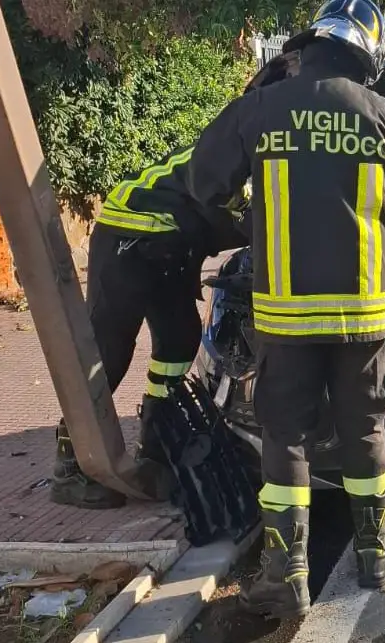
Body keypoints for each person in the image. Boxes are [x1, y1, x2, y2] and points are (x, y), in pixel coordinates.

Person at [184, 0, 385, 618]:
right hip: (367, 315)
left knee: (286, 438)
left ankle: (288, 575)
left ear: (307, 47)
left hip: (285, 316)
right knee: (366, 433)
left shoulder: (260, 108)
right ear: (369, 55)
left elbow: (202, 183)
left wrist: (247, 223)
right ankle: (375, 554)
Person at [50, 145, 249, 509]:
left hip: (174, 243)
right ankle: (70, 465)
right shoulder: (237, 153)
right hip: (130, 232)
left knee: (179, 341)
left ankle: (156, 446)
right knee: (108, 350)